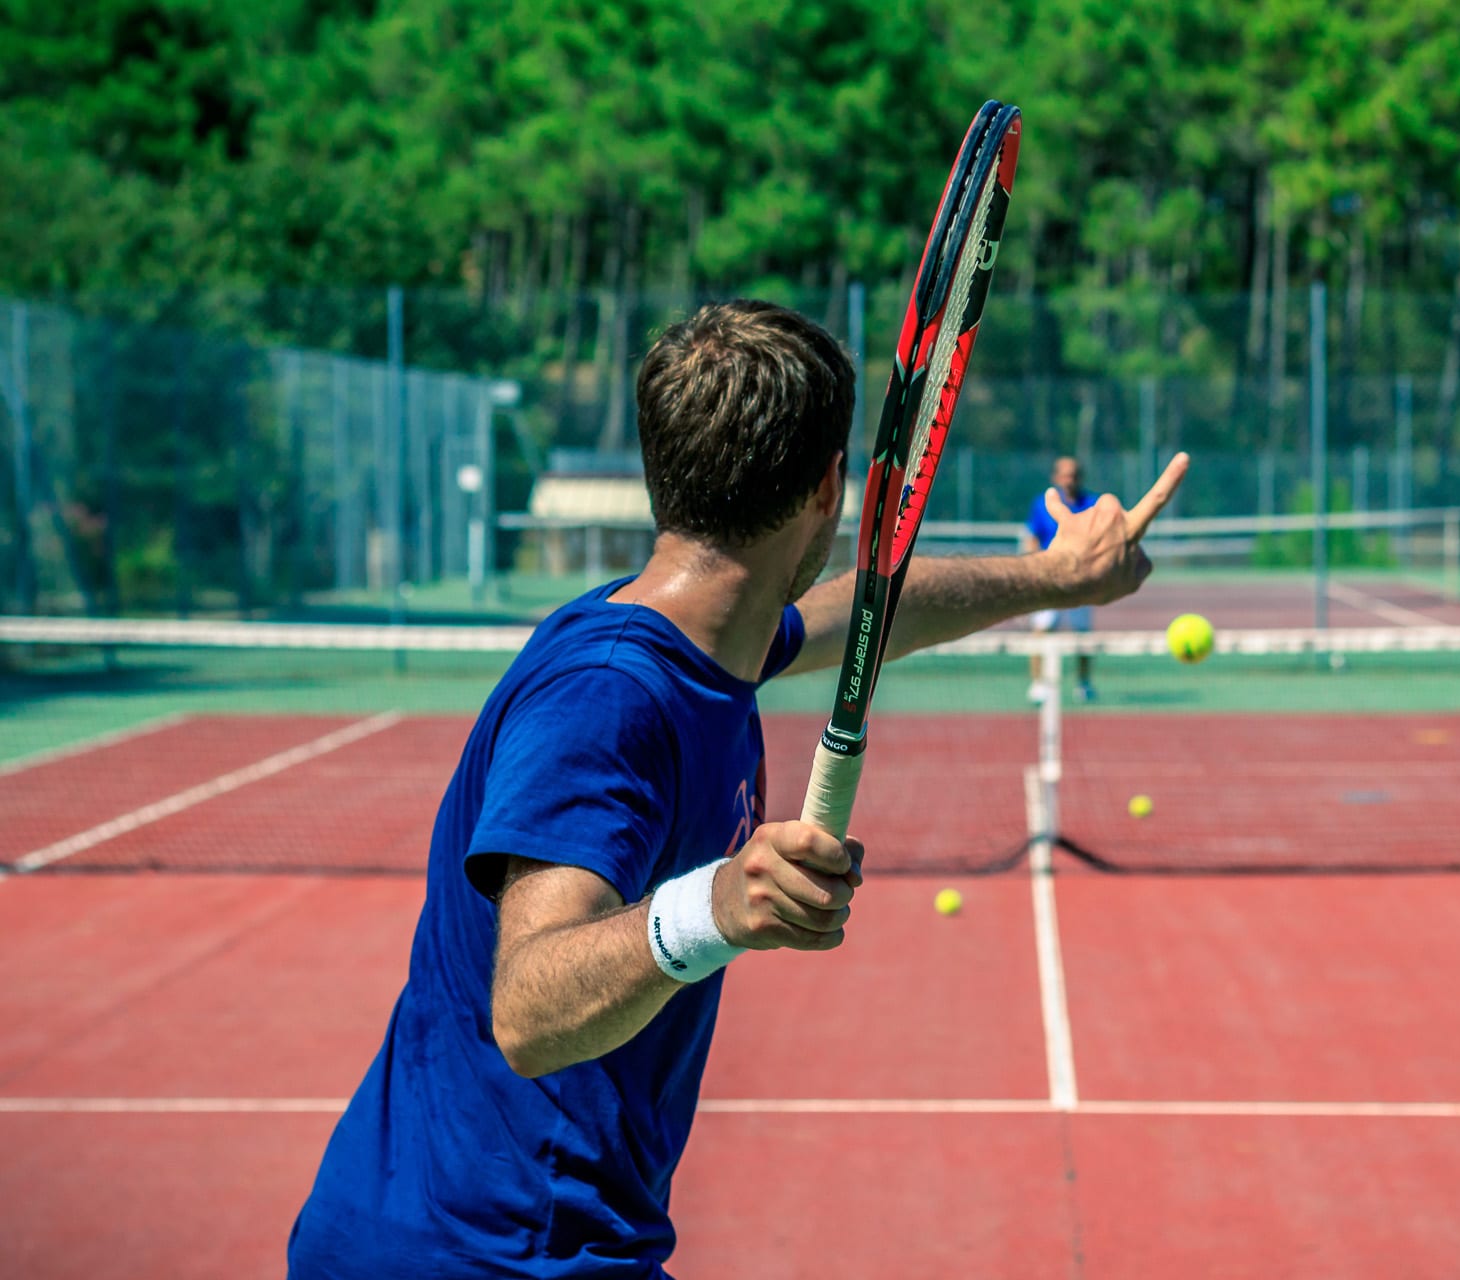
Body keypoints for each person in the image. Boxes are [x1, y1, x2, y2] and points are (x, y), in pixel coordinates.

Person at [287, 300, 1187, 1280]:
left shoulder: (711, 638)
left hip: (515, 1235)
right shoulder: (608, 701)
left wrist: (1053, 578)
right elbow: (529, 1009)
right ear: (826, 490)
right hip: (488, 1252)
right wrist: (712, 905)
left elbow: (869, 610)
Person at [1022, 455, 1100, 702]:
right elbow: (1031, 537)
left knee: (1082, 636)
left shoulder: (1093, 504)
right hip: (1049, 580)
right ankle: (1038, 684)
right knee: (1042, 630)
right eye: (1065, 474)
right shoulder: (1041, 504)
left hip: (1081, 581)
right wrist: (1036, 566)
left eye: (1074, 474)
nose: (1069, 479)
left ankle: (1083, 684)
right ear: (1056, 478)